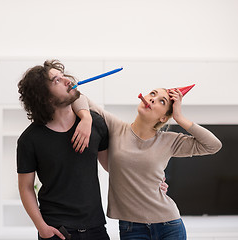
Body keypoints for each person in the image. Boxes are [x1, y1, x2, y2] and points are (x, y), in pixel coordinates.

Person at [72, 87, 222, 240]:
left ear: (164, 118)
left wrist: (179, 117)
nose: (152, 99)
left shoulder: (169, 141)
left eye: (161, 101)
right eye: (152, 94)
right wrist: (86, 118)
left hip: (168, 225)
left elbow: (213, 145)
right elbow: (77, 96)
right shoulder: (116, 127)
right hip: (131, 228)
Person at [16, 59, 111, 240]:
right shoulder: (29, 140)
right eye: (56, 81)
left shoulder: (95, 123)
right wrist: (42, 227)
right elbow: (26, 187)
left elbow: (112, 167)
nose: (68, 80)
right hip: (57, 231)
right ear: (45, 97)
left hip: (96, 228)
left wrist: (153, 179)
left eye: (63, 76)